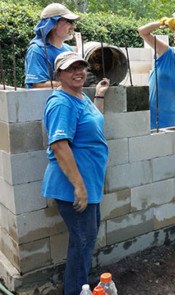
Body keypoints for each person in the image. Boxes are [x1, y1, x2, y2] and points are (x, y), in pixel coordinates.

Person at [41, 51, 110, 295]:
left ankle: (78, 287)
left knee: (83, 240)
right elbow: (59, 145)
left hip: (87, 183)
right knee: (83, 241)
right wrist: (79, 187)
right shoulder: (62, 102)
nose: (78, 71)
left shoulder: (80, 97)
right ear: (58, 74)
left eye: (81, 66)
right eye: (71, 68)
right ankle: (75, 290)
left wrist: (99, 96)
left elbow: (96, 121)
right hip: (73, 186)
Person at [137, 19, 175, 129]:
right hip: (149, 114)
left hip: (170, 117)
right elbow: (142, 32)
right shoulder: (165, 52)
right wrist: (162, 22)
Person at [25, 3, 79, 88]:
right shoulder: (37, 50)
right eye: (69, 22)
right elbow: (38, 85)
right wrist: (70, 83)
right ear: (53, 24)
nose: (74, 26)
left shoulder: (68, 50)